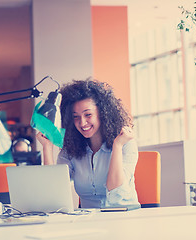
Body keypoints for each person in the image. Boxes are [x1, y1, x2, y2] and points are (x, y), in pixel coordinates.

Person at [36, 79, 140, 209]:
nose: (82, 122)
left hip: (123, 216)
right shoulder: (71, 149)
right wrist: (47, 148)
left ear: (102, 113)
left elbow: (115, 194)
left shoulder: (125, 143)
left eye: (88, 115)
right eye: (76, 117)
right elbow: (53, 191)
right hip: (87, 220)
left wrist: (117, 147)